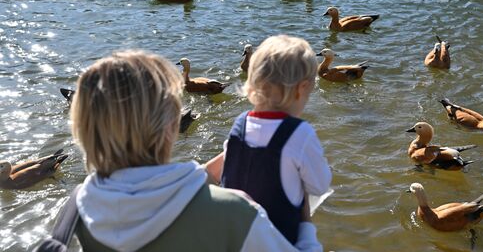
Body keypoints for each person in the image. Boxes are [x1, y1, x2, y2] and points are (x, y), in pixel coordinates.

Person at [70, 50, 322, 252]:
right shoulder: (235, 211)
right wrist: (304, 220)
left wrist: (231, 154)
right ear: (170, 127)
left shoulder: (78, 209)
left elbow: (153, 192)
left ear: (83, 128)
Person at [206, 35, 332, 244]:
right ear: (302, 89)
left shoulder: (241, 123)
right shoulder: (300, 133)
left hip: (231, 239)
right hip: (276, 242)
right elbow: (319, 186)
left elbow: (221, 169)